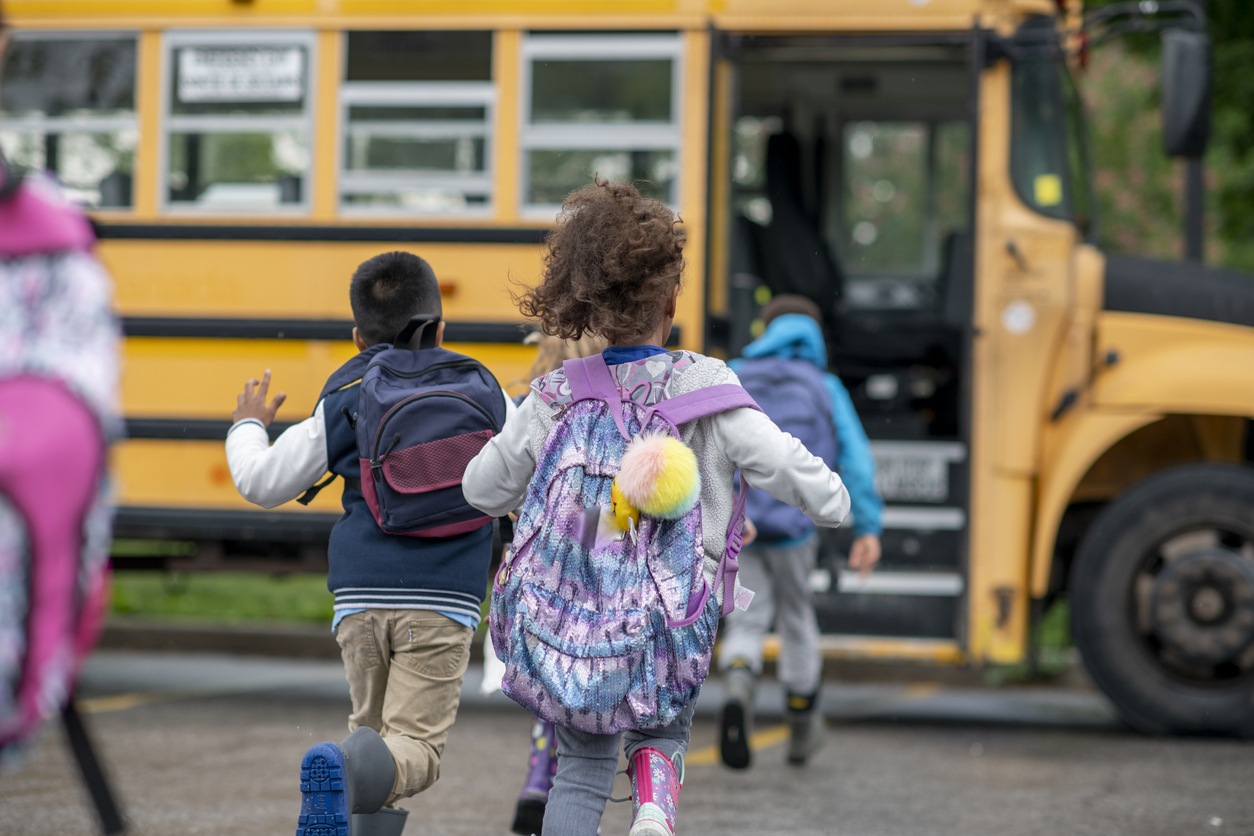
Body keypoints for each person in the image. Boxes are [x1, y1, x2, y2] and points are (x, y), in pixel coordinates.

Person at [461, 179, 852, 836]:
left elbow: (482, 489)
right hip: (674, 615)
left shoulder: (556, 393)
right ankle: (652, 805)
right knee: (661, 727)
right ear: (671, 297)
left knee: (582, 765)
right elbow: (788, 467)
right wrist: (834, 503)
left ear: (585, 299)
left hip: (576, 622)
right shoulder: (708, 384)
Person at [225, 252, 513, 836]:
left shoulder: (349, 392)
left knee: (373, 743)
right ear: (439, 327)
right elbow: (527, 475)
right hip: (442, 600)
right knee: (414, 753)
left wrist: (247, 424)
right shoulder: (484, 389)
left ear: (358, 337)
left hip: (359, 597)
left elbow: (262, 484)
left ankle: (347, 782)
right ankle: (347, 775)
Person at [716, 294, 884, 769]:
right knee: (796, 622)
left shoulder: (733, 375)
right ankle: (801, 729)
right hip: (798, 529)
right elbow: (856, 457)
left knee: (746, 618)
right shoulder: (825, 385)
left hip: (741, 525)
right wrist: (867, 526)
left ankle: (738, 686)